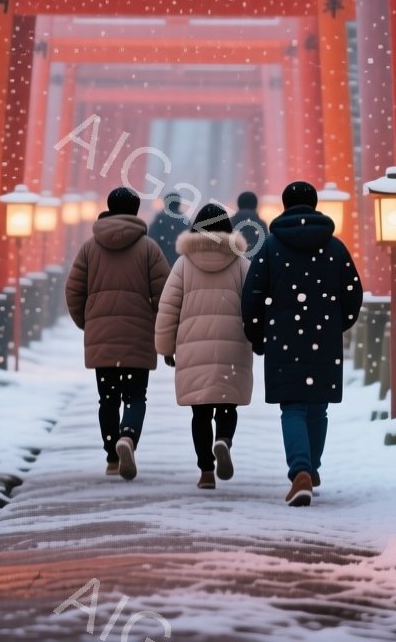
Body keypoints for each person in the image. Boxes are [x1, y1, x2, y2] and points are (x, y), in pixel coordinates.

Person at [240, 180, 363, 506]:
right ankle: (312, 466)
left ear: (284, 205)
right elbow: (354, 294)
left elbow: (252, 294)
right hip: (323, 338)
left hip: (284, 338)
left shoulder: (270, 247)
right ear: (315, 204)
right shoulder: (335, 247)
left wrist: (257, 335)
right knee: (317, 407)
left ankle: (300, 471)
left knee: (292, 406)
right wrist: (338, 324)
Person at [66, 187, 170, 480]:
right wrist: (157, 323)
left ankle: (112, 455)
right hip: (138, 334)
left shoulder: (90, 248)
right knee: (136, 395)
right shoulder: (149, 249)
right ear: (137, 210)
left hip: (103, 336)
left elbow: (73, 290)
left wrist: (88, 323)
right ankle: (129, 436)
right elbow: (164, 294)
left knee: (108, 398)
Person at [154, 203, 254, 490]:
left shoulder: (183, 264)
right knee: (227, 404)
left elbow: (168, 307)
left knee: (200, 412)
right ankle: (224, 440)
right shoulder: (241, 262)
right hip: (232, 347)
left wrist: (166, 347)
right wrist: (257, 338)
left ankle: (206, 471)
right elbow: (252, 303)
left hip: (192, 346)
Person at [148, 191, 188, 266]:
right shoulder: (185, 221)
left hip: (161, 262)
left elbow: (151, 240)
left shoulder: (160, 219)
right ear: (178, 204)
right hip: (180, 263)